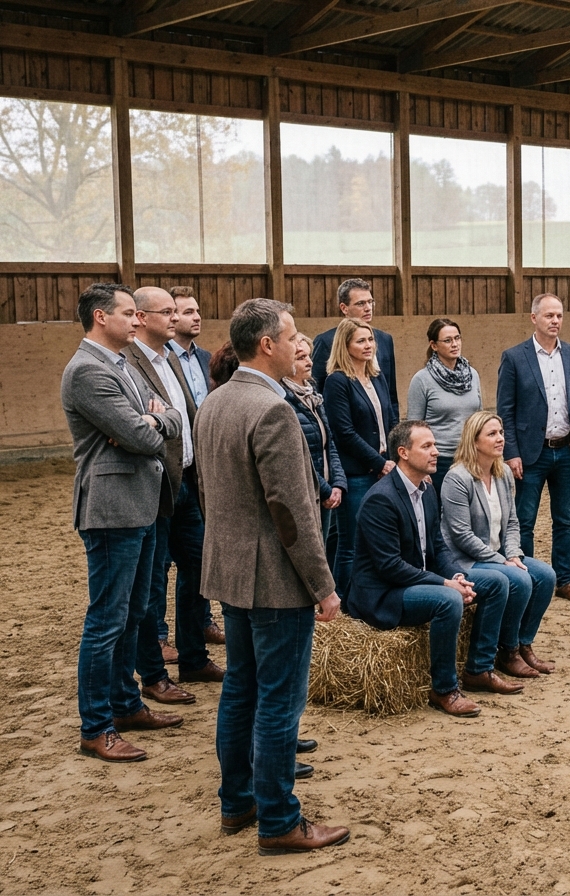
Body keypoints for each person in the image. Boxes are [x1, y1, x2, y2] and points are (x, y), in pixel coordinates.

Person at [193, 297, 349, 853]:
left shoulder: (214, 402)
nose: (298, 343)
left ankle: (237, 802)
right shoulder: (273, 410)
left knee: (241, 689)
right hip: (275, 580)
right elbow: (293, 513)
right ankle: (280, 821)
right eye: (290, 335)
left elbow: (207, 492)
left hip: (232, 571)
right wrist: (323, 586)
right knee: (280, 700)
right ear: (267, 345)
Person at [62, 283, 183, 762]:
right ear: (100, 317)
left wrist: (153, 421)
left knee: (133, 614)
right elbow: (143, 437)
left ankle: (126, 705)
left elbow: (170, 418)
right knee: (106, 620)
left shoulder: (121, 364)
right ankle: (95, 728)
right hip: (112, 509)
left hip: (141, 503)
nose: (137, 320)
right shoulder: (87, 371)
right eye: (129, 313)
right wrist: (149, 424)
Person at [347, 421, 513, 717]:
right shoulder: (381, 499)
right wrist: (445, 584)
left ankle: (478, 669)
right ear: (403, 453)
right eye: (427, 446)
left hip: (417, 581)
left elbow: (438, 546)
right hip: (384, 594)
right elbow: (389, 567)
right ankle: (444, 689)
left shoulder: (426, 489)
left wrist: (457, 575)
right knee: (448, 600)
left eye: (434, 445)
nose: (436, 451)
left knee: (496, 583)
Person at [125, 287, 222, 704]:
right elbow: (140, 424)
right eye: (166, 312)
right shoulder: (129, 362)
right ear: (142, 318)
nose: (175, 318)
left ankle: (194, 658)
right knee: (151, 584)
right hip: (156, 484)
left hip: (187, 480)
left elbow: (183, 417)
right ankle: (152, 674)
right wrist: (159, 421)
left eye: (174, 312)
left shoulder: (173, 360)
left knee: (199, 569)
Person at [441, 412, 557, 678]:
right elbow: (461, 535)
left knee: (546, 576)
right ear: (474, 440)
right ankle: (507, 651)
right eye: (492, 434)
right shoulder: (457, 478)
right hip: (466, 560)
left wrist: (513, 554)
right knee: (519, 580)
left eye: (501, 433)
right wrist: (502, 561)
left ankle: (523, 644)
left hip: (500, 556)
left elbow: (513, 521)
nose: (501, 438)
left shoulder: (502, 472)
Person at [496, 293, 570, 605]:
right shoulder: (514, 357)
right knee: (524, 520)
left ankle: (563, 580)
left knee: (564, 520)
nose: (555, 321)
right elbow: (505, 410)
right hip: (530, 455)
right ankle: (529, 581)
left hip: (566, 451)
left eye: (559, 315)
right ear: (534, 318)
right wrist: (511, 452)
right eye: (549, 315)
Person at [323, 318, 399, 597]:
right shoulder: (337, 381)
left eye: (370, 340)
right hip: (355, 473)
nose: (368, 345)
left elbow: (390, 419)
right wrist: (379, 463)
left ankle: (366, 595)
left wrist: (393, 457)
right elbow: (344, 433)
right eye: (361, 341)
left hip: (382, 468)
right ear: (345, 346)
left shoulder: (376, 377)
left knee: (375, 540)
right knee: (350, 543)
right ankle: (343, 600)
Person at [167, 285, 222, 646]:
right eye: (188, 312)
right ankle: (160, 635)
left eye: (197, 310)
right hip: (175, 468)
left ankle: (202, 621)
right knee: (164, 562)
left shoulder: (205, 359)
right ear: (171, 318)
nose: (197, 317)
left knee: (201, 553)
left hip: (202, 466)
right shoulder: (161, 360)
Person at [407, 318, 482, 498]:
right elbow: (413, 428)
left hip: (470, 458)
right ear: (434, 345)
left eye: (457, 338)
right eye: (447, 340)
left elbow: (479, 418)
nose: (455, 344)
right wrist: (420, 468)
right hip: (438, 461)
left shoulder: (472, 375)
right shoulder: (422, 379)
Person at [284, 333, 346, 541]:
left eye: (309, 356)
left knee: (324, 547)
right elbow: (296, 456)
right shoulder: (283, 400)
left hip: (325, 491)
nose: (310, 362)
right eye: (301, 357)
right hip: (306, 494)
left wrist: (338, 483)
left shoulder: (313, 394)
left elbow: (329, 443)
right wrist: (326, 489)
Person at [311, 278, 397, 408]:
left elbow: (391, 394)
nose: (368, 308)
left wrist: (394, 420)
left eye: (370, 302)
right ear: (344, 308)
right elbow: (317, 389)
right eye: (361, 303)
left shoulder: (385, 339)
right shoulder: (326, 341)